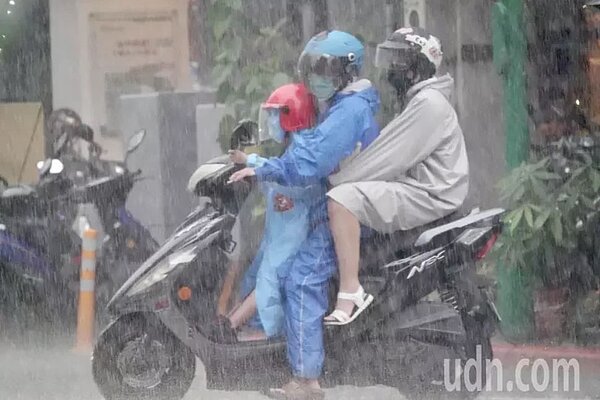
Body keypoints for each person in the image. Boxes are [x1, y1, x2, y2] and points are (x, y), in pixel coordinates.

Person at [229, 30, 380, 400]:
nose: (317, 77)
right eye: (312, 69)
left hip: (348, 215)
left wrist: (260, 165)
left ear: (347, 70)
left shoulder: (350, 110)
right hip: (337, 208)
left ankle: (306, 380)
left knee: (301, 280)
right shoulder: (341, 106)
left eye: (325, 68)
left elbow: (310, 162)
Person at [324, 26, 469, 325]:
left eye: (398, 61)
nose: (391, 70)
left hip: (429, 196)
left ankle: (351, 290)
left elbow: (388, 157)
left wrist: (337, 179)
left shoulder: (429, 104)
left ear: (417, 68)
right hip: (421, 190)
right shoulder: (423, 100)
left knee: (342, 200)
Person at [212, 83, 323, 342]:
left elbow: (287, 171)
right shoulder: (294, 144)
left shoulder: (304, 146)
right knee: (256, 275)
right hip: (281, 234)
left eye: (275, 115)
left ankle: (235, 329)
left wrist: (251, 163)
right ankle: (234, 325)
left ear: (291, 114)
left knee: (269, 281)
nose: (270, 121)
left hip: (294, 235)